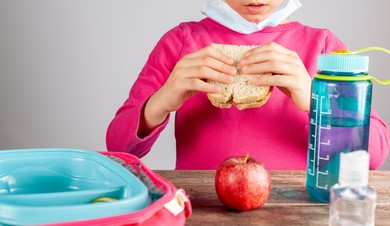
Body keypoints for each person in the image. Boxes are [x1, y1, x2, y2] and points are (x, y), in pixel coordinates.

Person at [106, 0, 389, 170]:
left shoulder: (324, 46)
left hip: (299, 210)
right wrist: (163, 99)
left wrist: (318, 100)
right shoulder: (181, 42)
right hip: (203, 213)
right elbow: (119, 147)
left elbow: (374, 155)